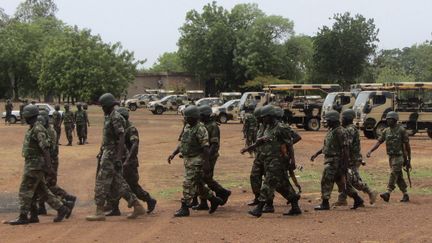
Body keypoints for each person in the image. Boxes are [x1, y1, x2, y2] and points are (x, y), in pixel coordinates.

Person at [6, 105, 70, 225]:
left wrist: (49, 166)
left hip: (34, 165)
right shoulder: (33, 127)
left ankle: (23, 216)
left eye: (25, 116)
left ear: (29, 116)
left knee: (25, 190)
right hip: (33, 164)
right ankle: (61, 209)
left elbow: (45, 148)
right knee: (42, 191)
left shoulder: (37, 129)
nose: (24, 118)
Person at [86, 93, 146, 221]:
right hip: (109, 152)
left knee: (101, 181)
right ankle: (137, 205)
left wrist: (118, 157)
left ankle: (99, 211)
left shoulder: (115, 117)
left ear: (108, 105)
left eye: (103, 106)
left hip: (112, 154)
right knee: (118, 182)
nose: (102, 109)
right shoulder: (110, 116)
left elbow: (121, 136)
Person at [241, 105, 302, 217]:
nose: (263, 119)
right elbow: (264, 141)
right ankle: (295, 205)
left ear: (270, 116)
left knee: (268, 182)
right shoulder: (268, 128)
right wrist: (250, 148)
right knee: (281, 184)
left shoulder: (281, 128)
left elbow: (289, 144)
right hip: (268, 160)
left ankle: (259, 208)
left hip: (277, 160)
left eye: (265, 117)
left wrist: (292, 161)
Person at [167, 105, 223, 217]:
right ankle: (214, 199)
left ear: (194, 117)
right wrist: (174, 153)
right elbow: (183, 142)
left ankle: (185, 207)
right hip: (188, 159)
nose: (185, 119)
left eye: (187, 117)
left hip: (196, 160)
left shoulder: (200, 129)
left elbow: (206, 147)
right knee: (198, 185)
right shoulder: (188, 127)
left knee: (188, 183)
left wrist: (206, 163)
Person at [105, 107, 157, 216]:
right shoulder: (120, 128)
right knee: (116, 183)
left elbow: (135, 145)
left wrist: (128, 161)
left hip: (129, 163)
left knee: (132, 186)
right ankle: (115, 208)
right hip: (121, 161)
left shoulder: (130, 128)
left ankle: (149, 200)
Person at [310, 110, 364, 210]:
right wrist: (317, 154)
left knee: (326, 180)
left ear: (334, 120)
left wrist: (344, 164)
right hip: (332, 160)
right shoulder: (332, 130)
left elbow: (345, 148)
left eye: (328, 120)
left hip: (335, 161)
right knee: (342, 183)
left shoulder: (340, 131)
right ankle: (358, 199)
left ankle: (325, 203)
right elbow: (328, 146)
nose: (327, 122)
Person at [33, 110, 76, 218]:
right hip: (46, 161)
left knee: (46, 186)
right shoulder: (45, 130)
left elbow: (49, 149)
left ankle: (65, 203)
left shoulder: (49, 131)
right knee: (43, 185)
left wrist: (48, 165)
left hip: (50, 161)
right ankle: (44, 207)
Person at [191, 105, 231, 210]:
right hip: (203, 156)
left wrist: (207, 160)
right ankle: (205, 201)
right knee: (203, 178)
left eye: (200, 115)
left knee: (205, 178)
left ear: (205, 115)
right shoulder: (203, 125)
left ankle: (222, 192)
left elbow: (214, 145)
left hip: (210, 156)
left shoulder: (213, 126)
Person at [335, 109, 378, 206]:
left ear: (347, 119)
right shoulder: (349, 128)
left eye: (343, 118)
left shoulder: (350, 129)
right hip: (352, 158)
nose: (341, 120)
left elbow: (346, 144)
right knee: (346, 178)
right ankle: (342, 198)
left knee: (352, 180)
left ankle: (370, 191)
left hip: (352, 159)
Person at [366, 111, 411, 203]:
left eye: (390, 119)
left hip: (399, 156)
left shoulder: (401, 130)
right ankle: (405, 194)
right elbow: (379, 142)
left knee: (393, 173)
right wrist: (371, 150)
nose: (388, 121)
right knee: (398, 177)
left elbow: (407, 145)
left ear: (395, 120)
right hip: (391, 157)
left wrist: (409, 159)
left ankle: (388, 192)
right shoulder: (386, 131)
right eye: (387, 119)